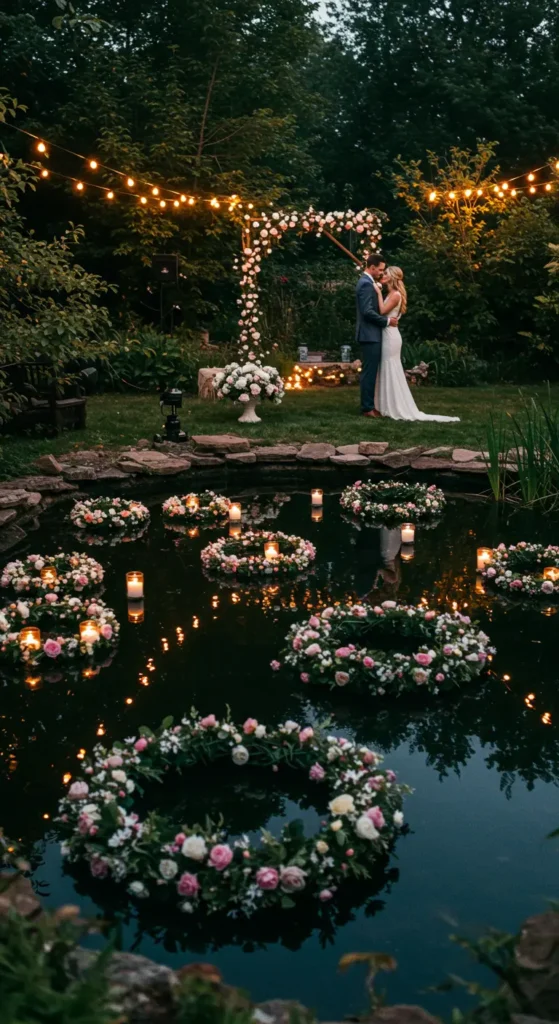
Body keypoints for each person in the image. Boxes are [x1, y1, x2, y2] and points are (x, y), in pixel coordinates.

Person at [374, 267, 460, 422]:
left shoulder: (395, 294)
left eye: (386, 273)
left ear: (392, 277)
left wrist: (378, 292)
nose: (383, 275)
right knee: (386, 367)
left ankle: (394, 405)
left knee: (390, 366)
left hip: (391, 337)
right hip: (387, 334)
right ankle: (384, 404)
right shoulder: (391, 293)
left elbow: (381, 311)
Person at [355, 253, 399, 418]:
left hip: (371, 334)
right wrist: (387, 321)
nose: (381, 272)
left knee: (371, 371)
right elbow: (367, 312)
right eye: (380, 269)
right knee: (369, 372)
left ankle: (370, 405)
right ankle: (367, 408)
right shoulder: (366, 284)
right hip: (369, 334)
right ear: (371, 267)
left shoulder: (369, 282)